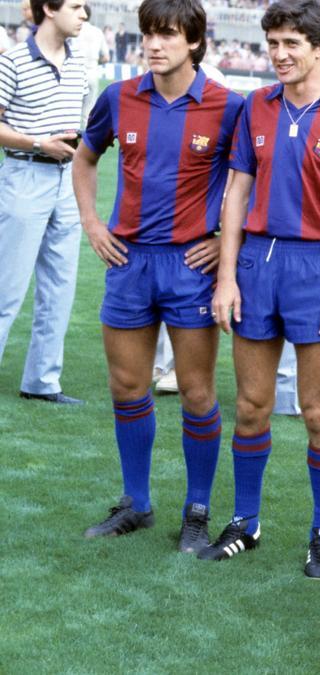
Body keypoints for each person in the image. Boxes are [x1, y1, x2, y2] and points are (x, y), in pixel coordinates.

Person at [202, 0, 320, 579]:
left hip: (316, 268)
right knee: (251, 406)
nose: (278, 55)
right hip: (256, 264)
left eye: (291, 45)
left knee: (318, 410)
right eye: (272, 43)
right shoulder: (256, 106)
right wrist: (227, 277)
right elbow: (236, 192)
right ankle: (245, 523)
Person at [73, 0, 241, 552]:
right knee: (126, 386)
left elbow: (251, 182)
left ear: (193, 41)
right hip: (128, 263)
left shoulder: (227, 107)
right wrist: (93, 222)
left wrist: (223, 241)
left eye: (166, 34)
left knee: (195, 392)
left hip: (189, 266)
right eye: (147, 33)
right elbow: (83, 158)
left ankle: (196, 509)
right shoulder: (118, 97)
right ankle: (137, 503)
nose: (152, 44)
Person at [0, 0, 89, 406]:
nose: (84, 14)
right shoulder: (14, 60)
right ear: (50, 9)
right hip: (24, 175)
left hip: (66, 181)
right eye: (76, 5)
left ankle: (42, 381)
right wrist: (38, 142)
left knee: (60, 287)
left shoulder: (79, 61)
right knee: (7, 287)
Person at [77, 4, 107, 124]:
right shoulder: (98, 32)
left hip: (76, 72)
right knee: (88, 112)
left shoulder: (75, 30)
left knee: (72, 109)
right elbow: (106, 57)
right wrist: (95, 61)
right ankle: (87, 140)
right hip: (92, 71)